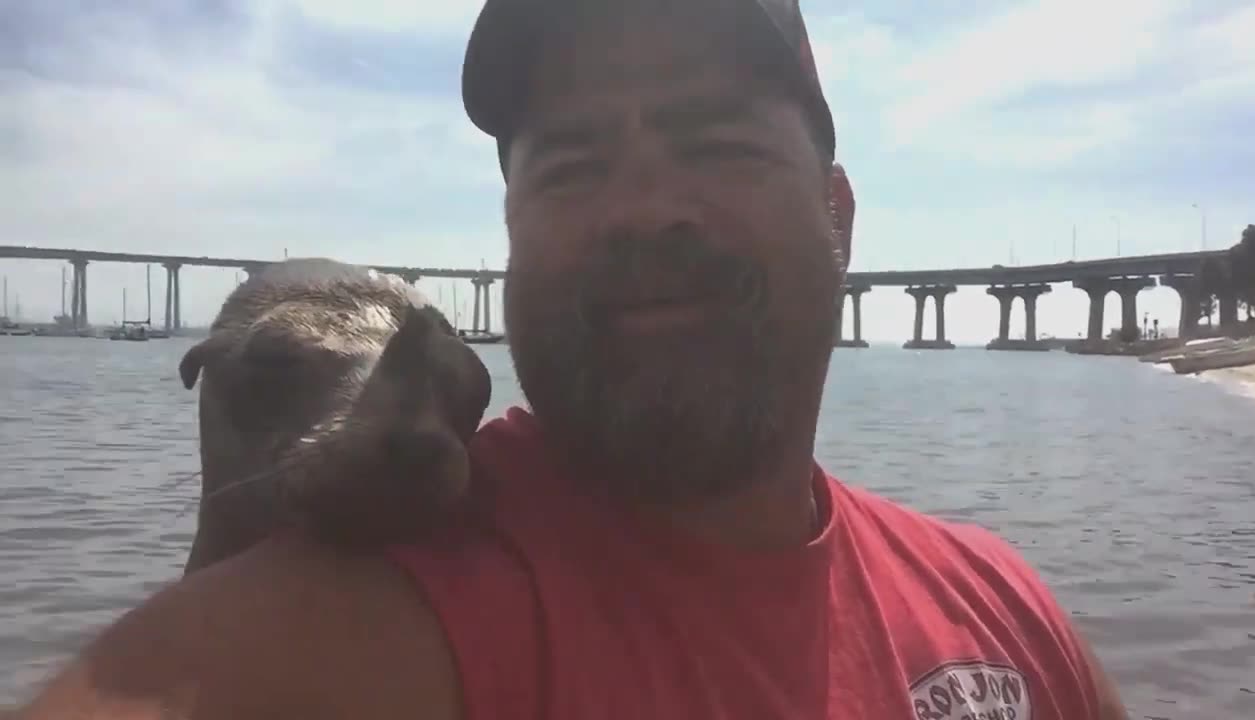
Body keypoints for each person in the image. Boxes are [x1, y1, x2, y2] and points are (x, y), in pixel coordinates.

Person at [15, 0, 1131, 718]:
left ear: (835, 215)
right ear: (506, 236)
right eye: (571, 166)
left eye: (715, 144)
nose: (643, 208)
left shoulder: (999, 604)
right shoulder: (351, 608)